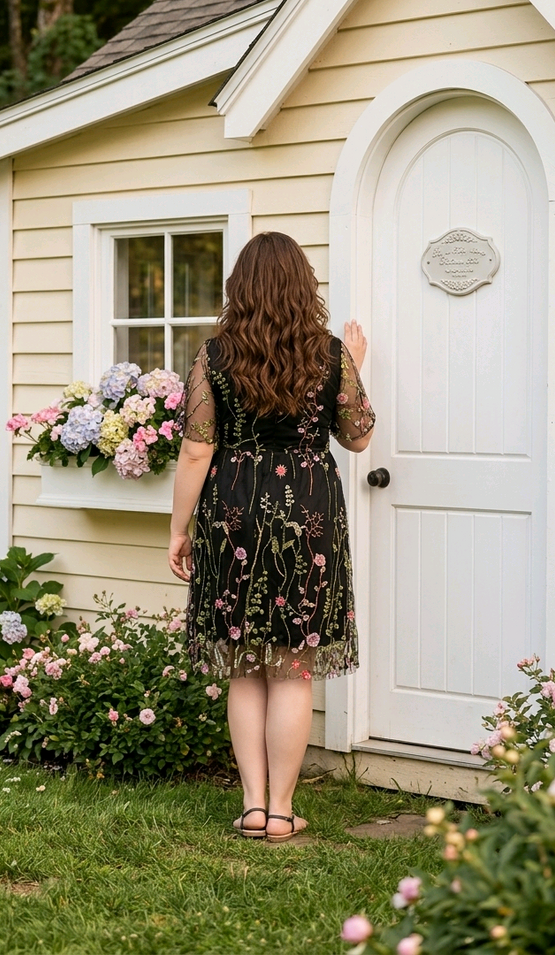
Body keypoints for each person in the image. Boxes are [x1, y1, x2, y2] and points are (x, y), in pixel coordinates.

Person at [168, 232, 375, 842]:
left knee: (243, 665)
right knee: (292, 666)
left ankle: (253, 805)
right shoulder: (330, 354)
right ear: (302, 286)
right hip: (307, 514)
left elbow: (196, 449)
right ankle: (283, 812)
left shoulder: (214, 355)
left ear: (241, 288)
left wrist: (179, 530)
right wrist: (356, 365)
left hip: (233, 511)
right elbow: (358, 436)